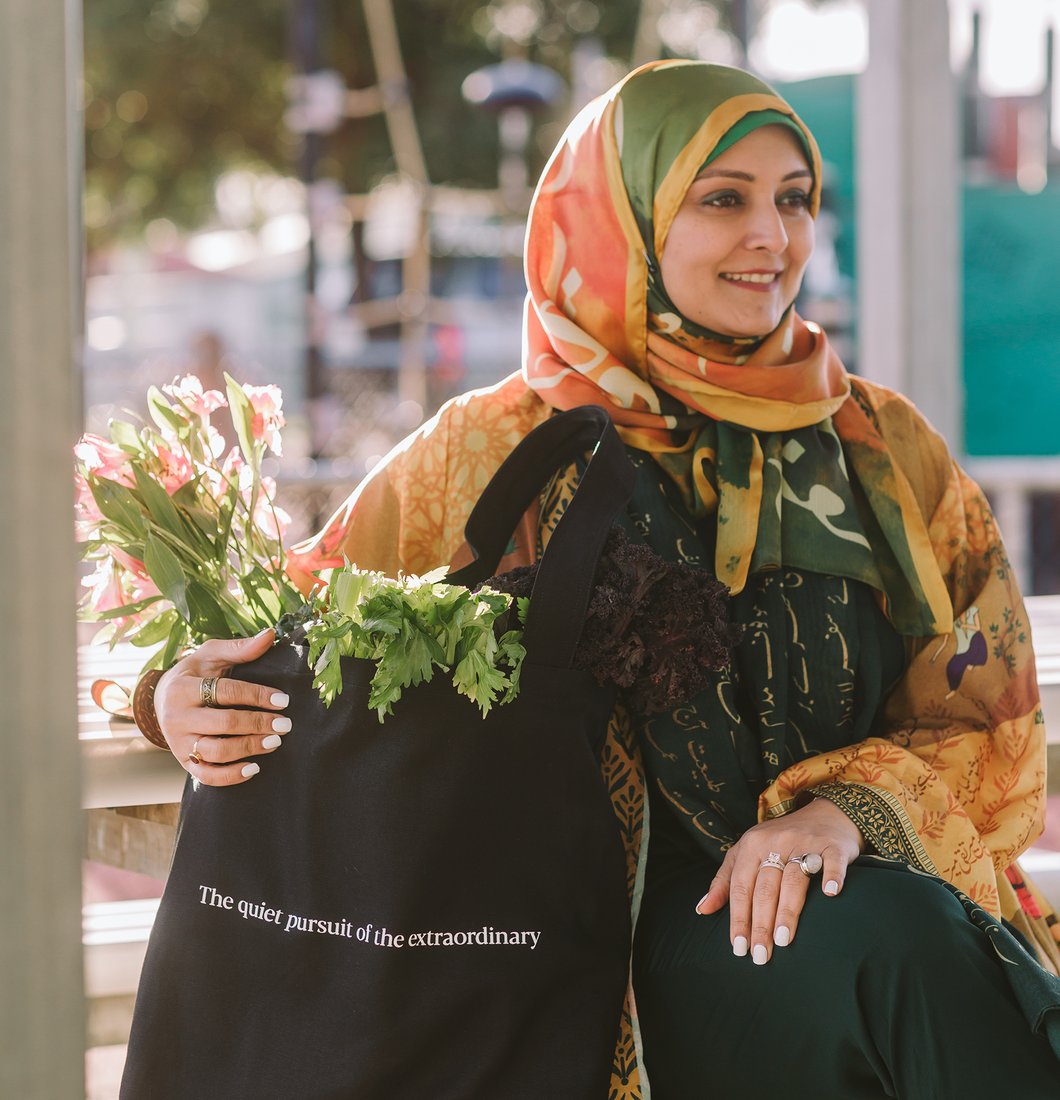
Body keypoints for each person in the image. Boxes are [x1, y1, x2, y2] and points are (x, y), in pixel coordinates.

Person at [141, 61, 1060, 1097]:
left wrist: (838, 812)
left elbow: (996, 724)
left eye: (794, 199)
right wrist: (171, 692)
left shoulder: (883, 447)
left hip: (870, 908)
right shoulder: (502, 447)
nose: (774, 236)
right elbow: (306, 620)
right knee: (901, 943)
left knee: (901, 929)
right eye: (723, 199)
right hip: (605, 964)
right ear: (619, 216)